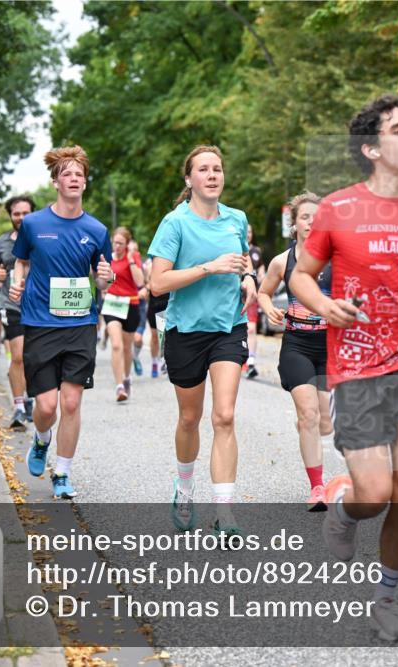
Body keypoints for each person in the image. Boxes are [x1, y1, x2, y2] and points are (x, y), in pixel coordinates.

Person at [289, 94, 398, 641]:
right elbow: (301, 276)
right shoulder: (338, 209)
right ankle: (344, 511)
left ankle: (386, 599)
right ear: (371, 148)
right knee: (375, 492)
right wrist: (322, 305)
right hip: (357, 366)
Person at [147, 144, 257, 537]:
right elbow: (157, 282)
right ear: (190, 179)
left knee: (224, 416)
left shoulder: (236, 218)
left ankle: (224, 513)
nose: (213, 175)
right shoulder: (175, 223)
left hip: (228, 327)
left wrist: (248, 280)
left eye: (218, 169)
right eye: (204, 170)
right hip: (186, 332)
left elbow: (243, 264)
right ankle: (184, 486)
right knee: (190, 418)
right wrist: (207, 268)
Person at [9, 145, 114, 499]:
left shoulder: (97, 229)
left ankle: (63, 473)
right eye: (67, 174)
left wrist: (104, 278)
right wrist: (15, 281)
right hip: (40, 322)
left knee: (70, 403)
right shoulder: (35, 224)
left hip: (80, 324)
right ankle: (41, 440)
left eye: (79, 174)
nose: (74, 179)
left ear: (85, 184)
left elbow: (102, 279)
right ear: (56, 182)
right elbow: (20, 262)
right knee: (46, 406)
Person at [257, 191, 334, 510]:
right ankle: (317, 488)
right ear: (295, 224)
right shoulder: (281, 261)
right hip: (297, 345)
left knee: (324, 422)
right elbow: (264, 292)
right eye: (305, 217)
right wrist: (268, 309)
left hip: (331, 346)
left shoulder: (336, 260)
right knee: (308, 414)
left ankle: (310, 423)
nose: (311, 223)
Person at [0, 195, 37, 430]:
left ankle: (29, 398)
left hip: (38, 304)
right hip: (11, 304)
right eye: (16, 213)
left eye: (25, 213)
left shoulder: (42, 237)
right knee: (18, 355)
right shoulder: (1, 242)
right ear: (10, 216)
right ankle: (19, 407)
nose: (20, 217)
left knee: (33, 357)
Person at [102, 227, 145, 402]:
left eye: (120, 243)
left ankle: (127, 378)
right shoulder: (109, 257)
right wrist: (106, 282)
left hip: (131, 305)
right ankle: (119, 385)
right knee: (117, 345)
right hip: (112, 305)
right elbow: (109, 281)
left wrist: (131, 260)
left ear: (127, 244)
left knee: (127, 348)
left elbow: (140, 282)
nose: (117, 246)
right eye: (115, 242)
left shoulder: (132, 257)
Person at [244, 225, 265, 379]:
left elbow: (262, 271)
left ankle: (251, 362)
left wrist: (262, 279)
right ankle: (238, 359)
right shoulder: (234, 248)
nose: (248, 234)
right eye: (245, 231)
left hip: (251, 296)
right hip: (235, 296)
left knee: (251, 328)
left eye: (250, 231)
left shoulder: (256, 252)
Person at [143, 254, 169, 378]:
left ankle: (166, 361)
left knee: (165, 335)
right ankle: (154, 362)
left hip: (167, 303)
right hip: (154, 304)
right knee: (155, 337)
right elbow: (148, 284)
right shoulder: (149, 264)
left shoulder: (171, 263)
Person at [129, 239, 147, 377]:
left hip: (139, 305)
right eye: (130, 250)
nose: (132, 253)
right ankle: (124, 377)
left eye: (135, 250)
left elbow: (149, 282)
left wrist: (145, 289)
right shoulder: (119, 263)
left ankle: (135, 357)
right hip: (124, 306)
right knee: (124, 342)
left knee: (138, 338)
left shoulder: (143, 266)